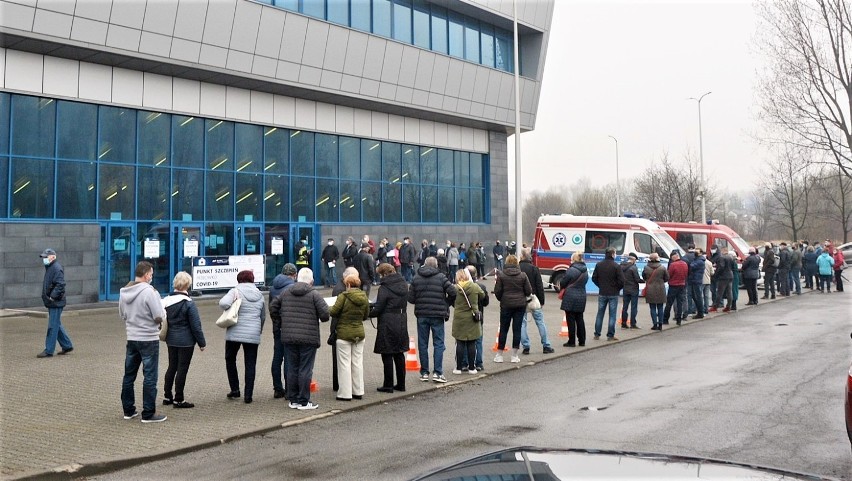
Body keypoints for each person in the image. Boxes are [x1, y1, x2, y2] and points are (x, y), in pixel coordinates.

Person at [120, 261, 168, 423]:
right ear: (147, 274)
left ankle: (128, 410)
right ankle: (148, 413)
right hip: (148, 338)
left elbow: (122, 314)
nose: (152, 277)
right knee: (150, 377)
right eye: (151, 274)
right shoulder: (150, 292)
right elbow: (158, 315)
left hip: (132, 337)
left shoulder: (124, 291)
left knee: (129, 376)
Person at [279, 268, 330, 410]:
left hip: (289, 337)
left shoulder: (286, 292)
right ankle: (303, 401)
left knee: (292, 368)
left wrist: (281, 323)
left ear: (296, 278)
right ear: (312, 281)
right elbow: (325, 315)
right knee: (305, 369)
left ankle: (293, 399)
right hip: (308, 337)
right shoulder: (314, 294)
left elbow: (274, 307)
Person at [219, 270, 266, 404]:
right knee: (250, 364)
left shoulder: (235, 291)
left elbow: (223, 303)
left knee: (230, 359)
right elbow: (263, 316)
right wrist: (259, 330)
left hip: (234, 331)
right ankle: (248, 395)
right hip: (253, 333)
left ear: (239, 279)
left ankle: (235, 389)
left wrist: (233, 302)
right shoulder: (260, 294)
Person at [161, 272, 206, 409]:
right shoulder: (189, 304)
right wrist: (202, 343)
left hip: (171, 339)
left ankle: (167, 396)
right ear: (188, 285)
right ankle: (178, 399)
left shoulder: (166, 301)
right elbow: (196, 326)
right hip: (186, 341)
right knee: (182, 369)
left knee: (171, 367)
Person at [408, 256, 456, 383]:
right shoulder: (441, 277)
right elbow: (453, 292)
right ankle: (438, 373)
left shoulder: (416, 278)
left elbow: (411, 299)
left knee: (423, 344)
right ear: (436, 265)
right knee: (439, 343)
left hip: (422, 314)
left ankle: (424, 373)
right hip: (438, 315)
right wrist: (446, 303)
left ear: (424, 264)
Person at [329, 273, 370, 401]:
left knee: (344, 364)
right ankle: (358, 391)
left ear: (347, 284)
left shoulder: (343, 296)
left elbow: (333, 312)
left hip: (344, 334)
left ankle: (345, 394)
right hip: (359, 333)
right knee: (357, 363)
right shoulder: (364, 297)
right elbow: (365, 315)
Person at [370, 263, 409, 393]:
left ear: (383, 274)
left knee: (387, 353)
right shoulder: (404, 284)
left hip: (387, 321)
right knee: (399, 353)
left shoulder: (384, 288)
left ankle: (388, 385)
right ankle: (401, 384)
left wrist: (367, 313)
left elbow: (379, 307)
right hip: (402, 319)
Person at [493, 254, 532, 361]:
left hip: (506, 305)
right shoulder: (523, 275)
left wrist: (502, 299)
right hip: (520, 305)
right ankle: (514, 355)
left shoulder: (501, 275)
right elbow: (528, 291)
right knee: (517, 329)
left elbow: (497, 291)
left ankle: (499, 355)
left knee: (504, 330)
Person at [268, 263, 298, 399]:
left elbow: (272, 307)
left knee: (277, 357)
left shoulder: (273, 288)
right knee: (289, 359)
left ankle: (277, 388)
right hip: (289, 326)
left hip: (277, 327)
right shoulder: (292, 288)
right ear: (293, 275)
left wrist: (276, 322)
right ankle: (289, 389)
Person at [38, 248, 73, 358]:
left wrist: (52, 297)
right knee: (56, 324)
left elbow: (60, 284)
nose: (44, 259)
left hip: (56, 302)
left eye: (45, 257)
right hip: (53, 302)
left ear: (52, 257)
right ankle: (67, 345)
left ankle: (49, 350)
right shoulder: (50, 267)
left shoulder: (56, 268)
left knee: (52, 326)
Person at [519, 248, 554, 354]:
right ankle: (546, 345)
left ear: (521, 256)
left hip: (520, 300)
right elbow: (539, 286)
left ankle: (526, 347)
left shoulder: (517, 268)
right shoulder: (534, 269)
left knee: (522, 324)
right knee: (540, 322)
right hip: (534, 299)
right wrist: (542, 301)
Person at [329, 267, 358, 392]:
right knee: (341, 360)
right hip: (340, 327)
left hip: (343, 327)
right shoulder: (341, 290)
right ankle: (340, 385)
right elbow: (336, 311)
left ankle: (342, 384)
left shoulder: (344, 287)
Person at [451, 268, 484, 374]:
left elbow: (450, 299)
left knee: (460, 342)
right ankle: (472, 368)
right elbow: (483, 295)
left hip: (459, 317)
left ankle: (459, 368)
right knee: (472, 342)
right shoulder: (474, 286)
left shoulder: (455, 288)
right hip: (472, 316)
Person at [592, 247, 625, 341]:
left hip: (602, 292)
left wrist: (600, 286)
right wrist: (617, 288)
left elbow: (594, 278)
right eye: (615, 253)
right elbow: (622, 281)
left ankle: (597, 334)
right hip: (613, 293)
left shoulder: (599, 265)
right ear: (612, 254)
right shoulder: (616, 266)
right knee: (612, 315)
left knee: (600, 313)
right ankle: (610, 335)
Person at [560, 251, 589, 346]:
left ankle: (571, 341)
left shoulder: (571, 270)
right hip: (581, 296)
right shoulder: (585, 270)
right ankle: (582, 341)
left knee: (570, 319)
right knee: (580, 318)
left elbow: (563, 283)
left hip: (570, 296)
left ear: (573, 259)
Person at [463, 265, 489, 370]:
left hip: (464, 317)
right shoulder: (481, 287)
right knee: (478, 340)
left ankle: (464, 363)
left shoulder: (461, 287)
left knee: (464, 340)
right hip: (478, 317)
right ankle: (478, 363)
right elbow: (486, 302)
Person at [642, 252, 669, 331]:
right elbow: (667, 278)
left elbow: (644, 277)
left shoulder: (646, 267)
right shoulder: (662, 268)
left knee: (652, 307)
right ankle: (660, 324)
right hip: (660, 288)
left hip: (650, 289)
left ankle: (654, 324)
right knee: (660, 307)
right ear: (657, 258)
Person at [663, 250, 688, 326]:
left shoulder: (673, 265)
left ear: (674, 257)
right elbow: (686, 274)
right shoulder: (685, 264)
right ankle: (679, 320)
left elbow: (668, 275)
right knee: (680, 303)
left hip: (673, 285)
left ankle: (665, 319)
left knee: (669, 303)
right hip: (682, 285)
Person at [619, 252, 642, 329]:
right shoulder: (633, 267)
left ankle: (623, 323)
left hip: (625, 288)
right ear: (633, 259)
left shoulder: (621, 266)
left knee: (625, 306)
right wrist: (643, 280)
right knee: (634, 307)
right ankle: (633, 324)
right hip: (633, 289)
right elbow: (637, 279)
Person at [710, 246, 733, 312]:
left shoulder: (721, 257)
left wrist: (715, 275)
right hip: (730, 275)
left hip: (723, 277)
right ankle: (728, 306)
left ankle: (715, 306)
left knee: (719, 292)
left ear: (722, 250)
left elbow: (721, 267)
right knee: (729, 292)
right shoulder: (730, 257)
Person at [687, 248, 705, 320]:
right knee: (695, 296)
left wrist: (689, 262)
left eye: (697, 251)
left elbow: (691, 266)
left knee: (698, 297)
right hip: (694, 280)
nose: (695, 253)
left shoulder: (700, 261)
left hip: (696, 280)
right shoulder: (697, 259)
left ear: (701, 253)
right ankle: (700, 312)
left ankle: (700, 312)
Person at [701, 249, 715, 315]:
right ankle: (706, 309)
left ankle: (699, 309)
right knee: (706, 296)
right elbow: (712, 273)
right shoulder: (709, 263)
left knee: (700, 296)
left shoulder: (699, 262)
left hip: (701, 281)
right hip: (708, 281)